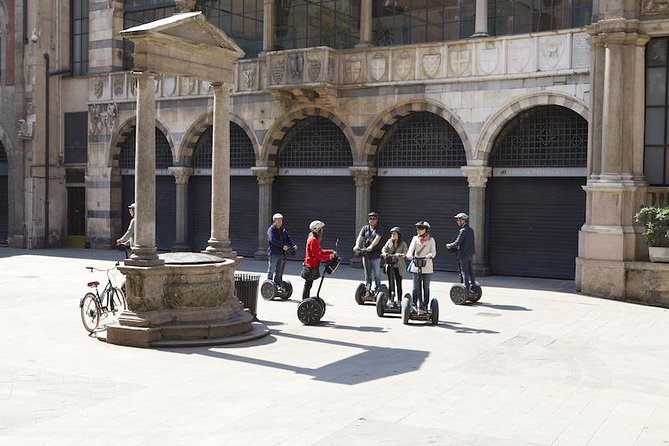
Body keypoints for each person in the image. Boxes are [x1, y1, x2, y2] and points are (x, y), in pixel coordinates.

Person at [301, 220, 337, 301]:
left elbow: (319, 251)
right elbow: (317, 255)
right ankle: (304, 301)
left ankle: (305, 301)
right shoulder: (313, 240)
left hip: (311, 265)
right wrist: (329, 257)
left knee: (308, 285)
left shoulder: (313, 239)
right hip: (310, 266)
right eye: (321, 229)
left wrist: (331, 251)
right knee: (308, 285)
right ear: (317, 230)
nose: (322, 231)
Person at [406, 221, 437, 313]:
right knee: (415, 287)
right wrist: (409, 255)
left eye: (421, 228)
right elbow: (410, 250)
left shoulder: (431, 240)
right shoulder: (415, 239)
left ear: (426, 230)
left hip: (427, 266)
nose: (419, 230)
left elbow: (434, 252)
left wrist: (429, 255)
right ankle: (414, 304)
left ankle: (425, 305)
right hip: (416, 265)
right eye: (418, 228)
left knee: (426, 287)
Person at [353, 211, 384, 293]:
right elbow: (360, 237)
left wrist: (371, 246)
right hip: (366, 254)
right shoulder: (365, 228)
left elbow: (377, 238)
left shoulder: (379, 228)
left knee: (377, 273)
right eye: (370, 219)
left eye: (374, 219)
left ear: (376, 220)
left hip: (375, 255)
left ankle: (378, 288)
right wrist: (357, 246)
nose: (372, 220)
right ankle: (368, 288)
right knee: (367, 273)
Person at [267, 213, 298, 290]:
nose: (281, 222)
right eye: (279, 220)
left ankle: (277, 285)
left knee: (279, 270)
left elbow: (288, 238)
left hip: (281, 253)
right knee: (271, 269)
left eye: (281, 220)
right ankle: (268, 284)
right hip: (274, 253)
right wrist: (282, 246)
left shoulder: (282, 230)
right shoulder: (271, 230)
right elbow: (272, 239)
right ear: (274, 221)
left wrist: (293, 245)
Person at [446, 212, 476, 292]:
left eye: (458, 220)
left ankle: (466, 287)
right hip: (470, 254)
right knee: (470, 271)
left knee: (464, 271)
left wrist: (449, 245)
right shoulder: (471, 230)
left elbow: (458, 242)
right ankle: (474, 287)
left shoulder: (463, 230)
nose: (457, 222)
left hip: (463, 254)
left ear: (463, 220)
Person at [381, 226, 408, 299]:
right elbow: (384, 248)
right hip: (390, 265)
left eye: (395, 234)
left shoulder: (403, 244)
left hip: (399, 266)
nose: (393, 235)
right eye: (392, 234)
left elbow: (406, 252)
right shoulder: (389, 242)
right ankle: (390, 298)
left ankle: (399, 299)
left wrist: (400, 255)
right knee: (390, 283)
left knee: (398, 283)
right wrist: (384, 253)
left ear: (399, 235)